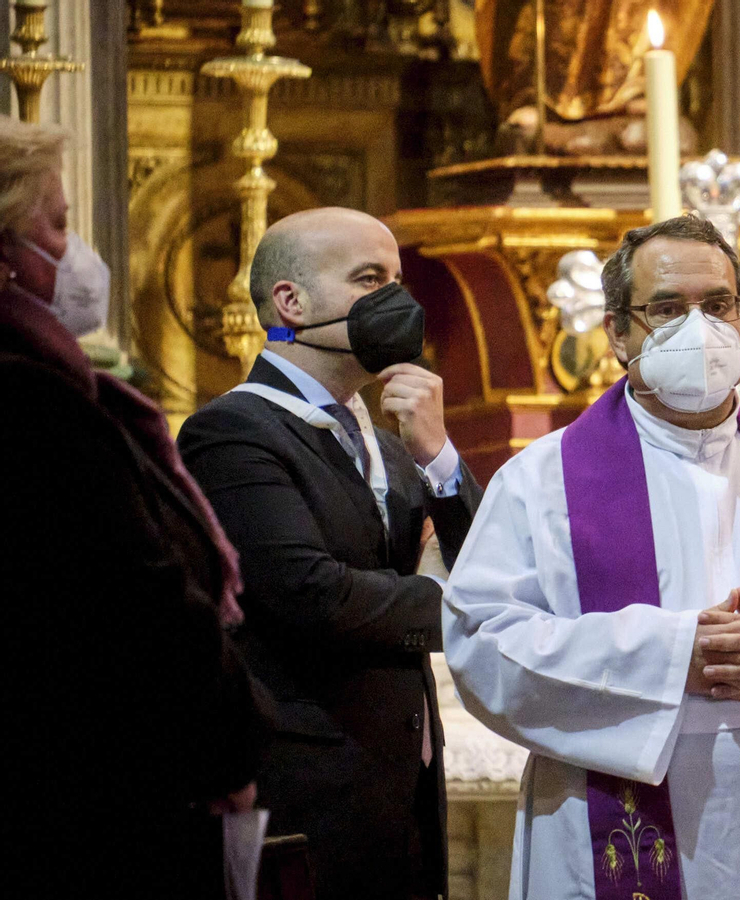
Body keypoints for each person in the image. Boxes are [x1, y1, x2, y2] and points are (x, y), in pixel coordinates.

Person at [443, 214, 740, 900]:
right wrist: (674, 655)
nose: (697, 329)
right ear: (617, 333)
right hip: (599, 812)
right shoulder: (543, 480)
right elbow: (483, 643)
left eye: (717, 305)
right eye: (666, 309)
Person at [177, 207, 482, 900]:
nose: (395, 302)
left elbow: (490, 564)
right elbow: (309, 593)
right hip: (308, 794)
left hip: (401, 787)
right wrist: (459, 607)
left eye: (397, 279)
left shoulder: (394, 444)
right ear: (291, 301)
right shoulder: (232, 432)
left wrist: (438, 458)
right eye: (369, 278)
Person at [1, 117, 269, 897]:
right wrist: (228, 751)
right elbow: (140, 597)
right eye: (56, 224)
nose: (75, 251)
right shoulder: (31, 403)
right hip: (89, 792)